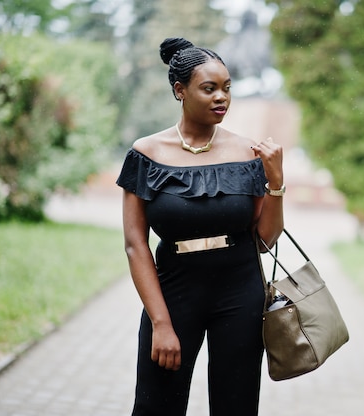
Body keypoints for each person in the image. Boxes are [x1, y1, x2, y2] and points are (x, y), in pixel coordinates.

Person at [115, 37, 285, 416]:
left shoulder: (248, 152)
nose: (221, 97)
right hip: (174, 294)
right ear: (180, 90)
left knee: (236, 408)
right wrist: (160, 322)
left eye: (226, 88)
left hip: (241, 294)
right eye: (208, 88)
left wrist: (276, 183)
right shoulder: (147, 154)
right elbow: (135, 245)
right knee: (156, 407)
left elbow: (265, 239)